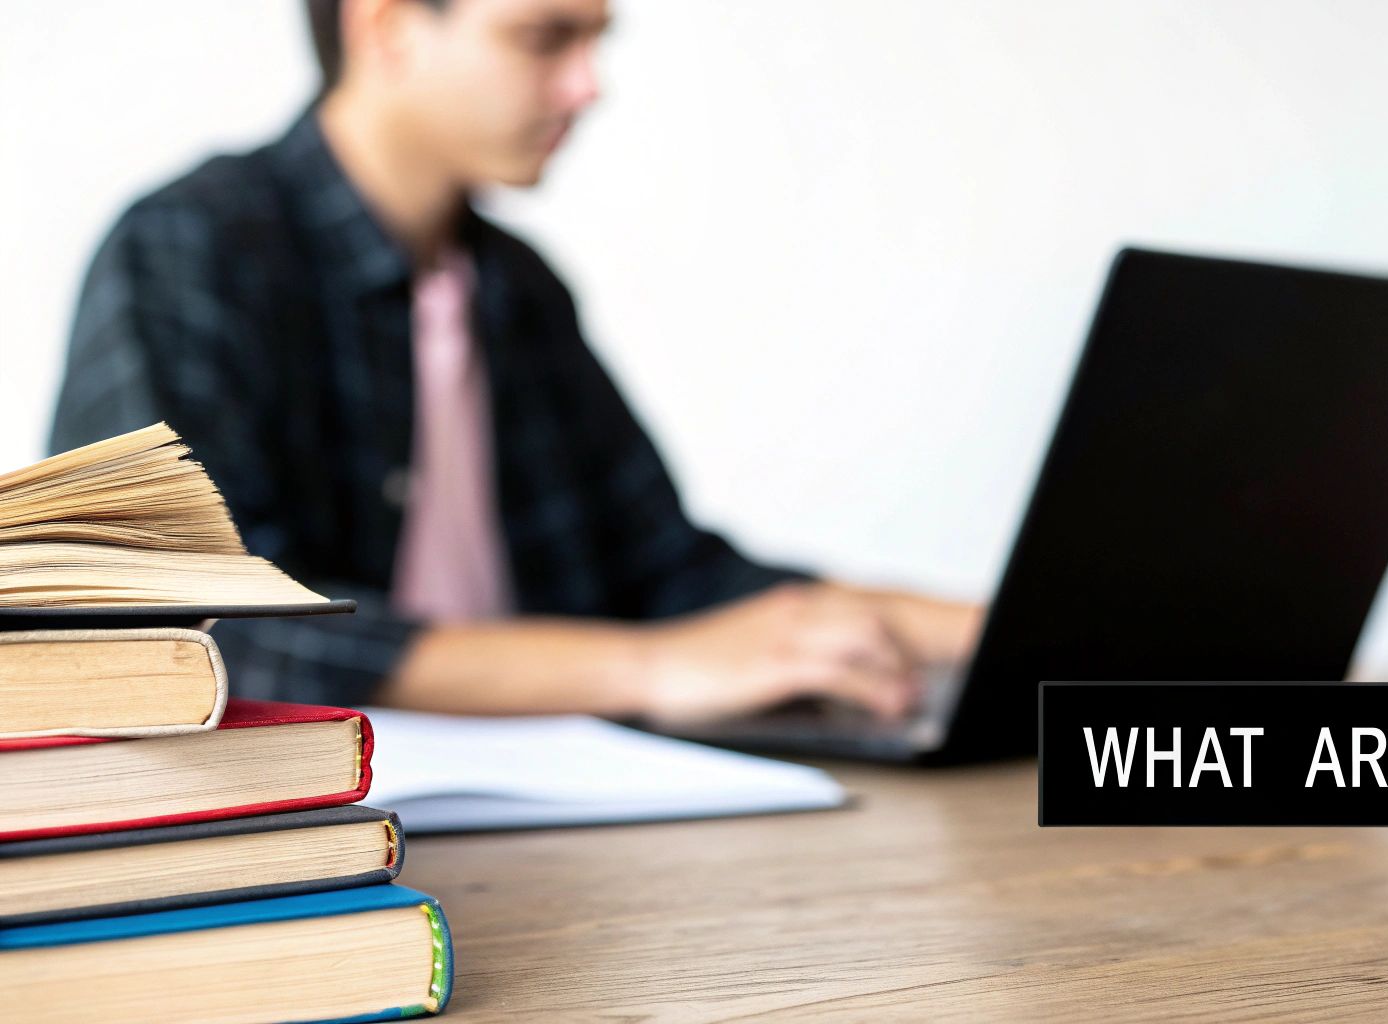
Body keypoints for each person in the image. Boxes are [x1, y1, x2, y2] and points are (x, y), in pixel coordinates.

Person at [50, 0, 980, 725]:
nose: (588, 85)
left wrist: (993, 630)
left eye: (595, 40)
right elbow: (180, 619)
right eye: (544, 38)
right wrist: (652, 668)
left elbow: (673, 579)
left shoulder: (514, 289)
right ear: (389, 28)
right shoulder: (190, 247)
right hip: (299, 851)